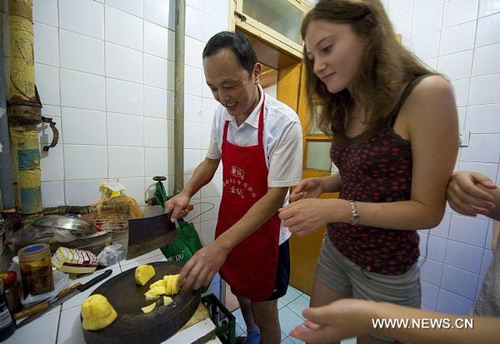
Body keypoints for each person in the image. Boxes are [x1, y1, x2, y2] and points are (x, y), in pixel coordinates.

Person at [278, 0, 459, 343]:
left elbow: (428, 210)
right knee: (317, 336)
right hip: (338, 249)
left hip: (387, 270)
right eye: (312, 56)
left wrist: (334, 208)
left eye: (327, 48)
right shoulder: (347, 101)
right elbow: (369, 173)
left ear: (368, 31)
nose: (317, 66)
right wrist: (326, 182)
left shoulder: (426, 94)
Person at [165, 31, 303, 344]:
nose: (222, 97)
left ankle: (262, 333)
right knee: (238, 287)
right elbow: (211, 162)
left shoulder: (284, 124)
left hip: (268, 236)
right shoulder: (222, 116)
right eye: (213, 88)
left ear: (256, 73)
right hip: (232, 224)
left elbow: (274, 197)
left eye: (229, 85)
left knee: (266, 310)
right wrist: (187, 192)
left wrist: (221, 246)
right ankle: (251, 334)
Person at [289, 170, 500, 344]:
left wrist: (376, 318)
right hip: (485, 310)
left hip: (388, 270)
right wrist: (457, 185)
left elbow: (478, 330)